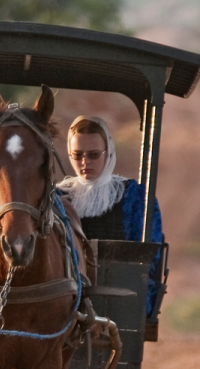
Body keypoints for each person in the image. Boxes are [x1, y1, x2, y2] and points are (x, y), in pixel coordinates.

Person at [56, 115, 165, 313]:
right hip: (65, 298)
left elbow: (149, 258)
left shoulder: (134, 197)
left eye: (94, 154)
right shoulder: (57, 197)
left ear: (108, 153)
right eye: (77, 155)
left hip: (120, 293)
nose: (85, 162)